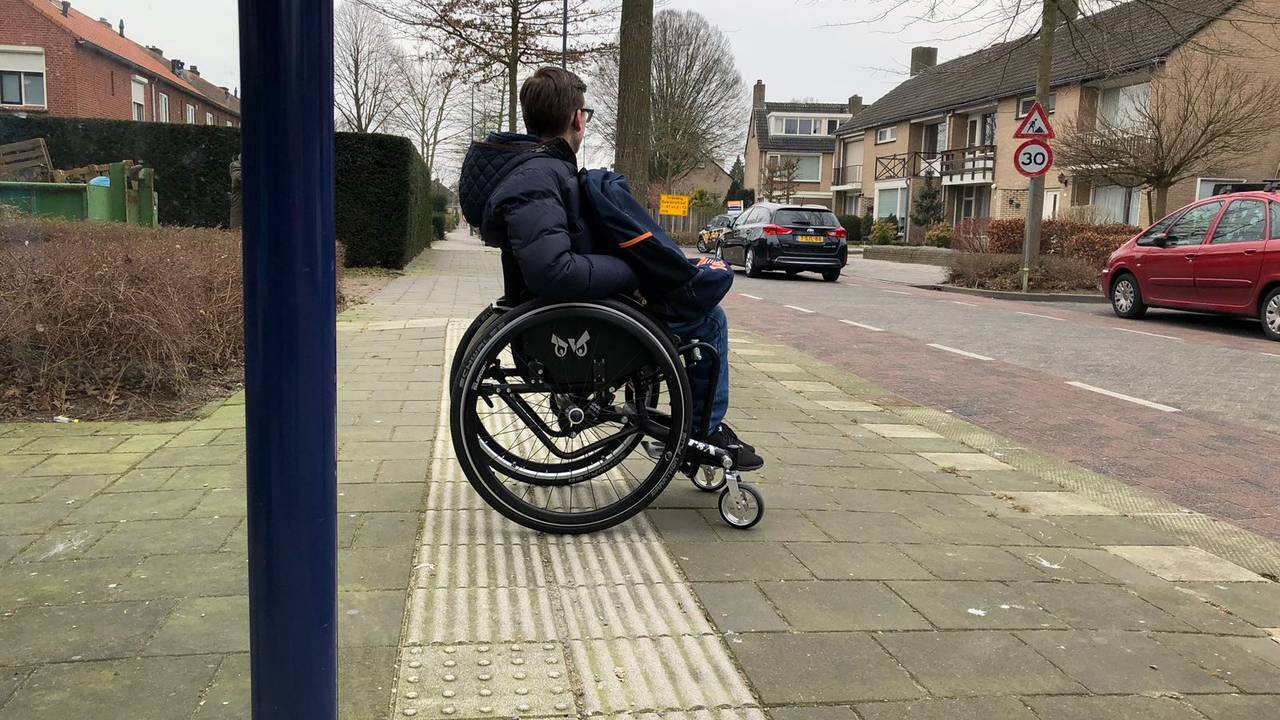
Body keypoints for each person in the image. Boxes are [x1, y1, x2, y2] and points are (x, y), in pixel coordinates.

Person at [458, 66, 762, 471]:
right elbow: (554, 271)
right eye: (586, 113)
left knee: (693, 301)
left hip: (573, 314)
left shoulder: (535, 171)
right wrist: (630, 272)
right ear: (576, 119)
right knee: (709, 321)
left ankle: (695, 427)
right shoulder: (538, 177)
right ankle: (704, 433)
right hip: (576, 327)